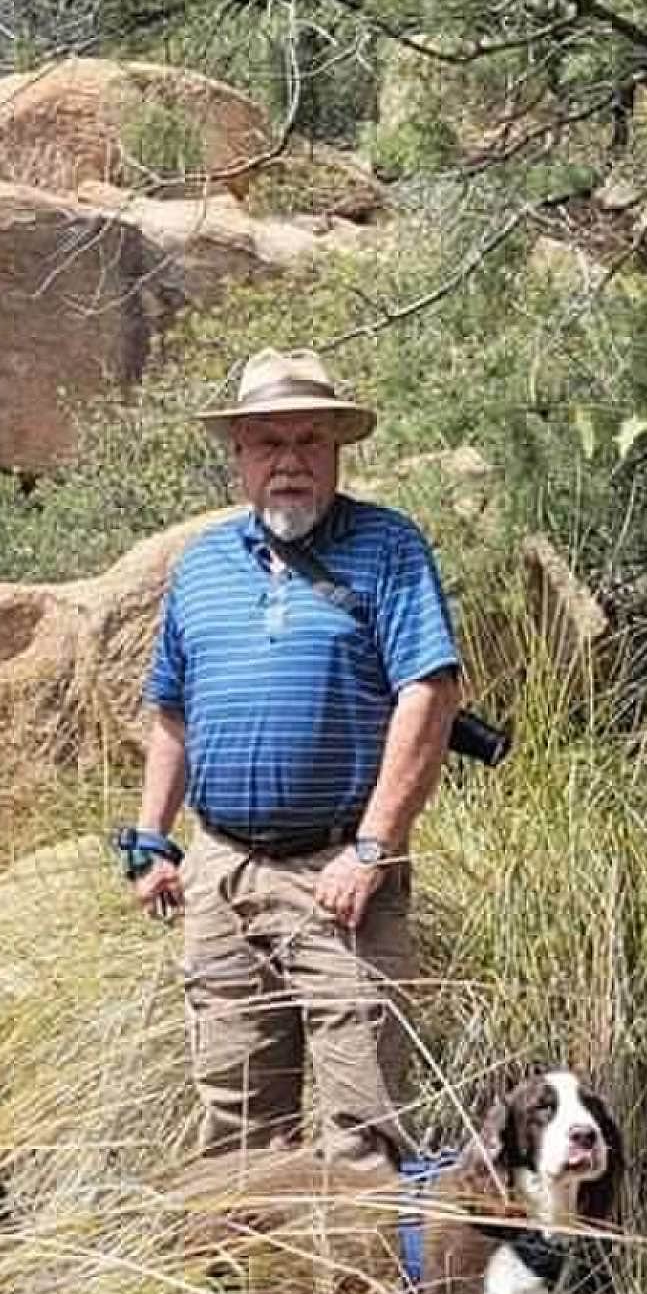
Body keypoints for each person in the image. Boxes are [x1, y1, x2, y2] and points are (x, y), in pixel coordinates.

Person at [122, 347, 461, 1168]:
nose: (290, 461)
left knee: (367, 1129)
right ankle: (240, 1292)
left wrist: (373, 847)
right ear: (239, 456)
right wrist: (151, 842)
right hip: (220, 875)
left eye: (310, 440)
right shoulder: (201, 564)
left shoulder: (388, 547)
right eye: (269, 443)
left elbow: (430, 691)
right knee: (236, 1131)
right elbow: (172, 709)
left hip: (341, 874)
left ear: (338, 451)